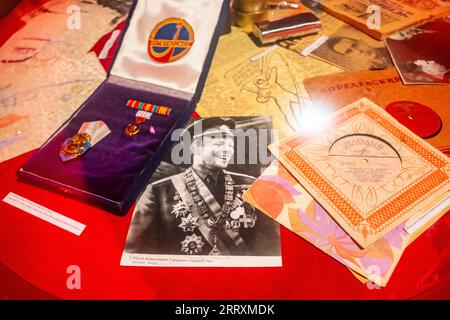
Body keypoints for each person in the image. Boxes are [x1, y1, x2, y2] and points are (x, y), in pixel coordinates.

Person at [124, 117, 280, 256]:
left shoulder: (250, 184)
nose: (227, 150)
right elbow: (137, 250)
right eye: (219, 144)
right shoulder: (158, 191)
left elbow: (273, 242)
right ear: (195, 147)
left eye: (230, 145)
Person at [327, 36, 391, 70]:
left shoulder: (393, 47)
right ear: (350, 58)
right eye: (348, 51)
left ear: (362, 41)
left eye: (354, 45)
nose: (358, 51)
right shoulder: (372, 74)